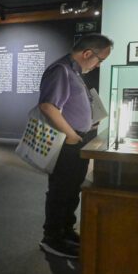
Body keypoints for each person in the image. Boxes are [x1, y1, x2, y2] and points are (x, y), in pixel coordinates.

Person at [37, 33, 113, 259]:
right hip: (67, 143)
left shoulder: (73, 72)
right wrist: (71, 134)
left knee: (71, 190)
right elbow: (48, 106)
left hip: (78, 141)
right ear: (88, 53)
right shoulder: (60, 70)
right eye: (100, 60)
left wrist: (89, 121)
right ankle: (52, 238)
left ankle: (66, 231)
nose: (99, 65)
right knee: (61, 191)